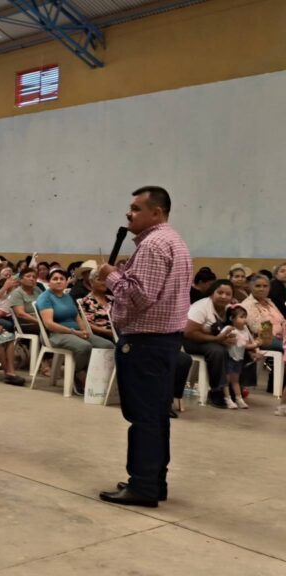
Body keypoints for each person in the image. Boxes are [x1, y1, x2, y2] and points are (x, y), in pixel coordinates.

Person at [97, 185, 192, 508]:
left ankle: (143, 486)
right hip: (165, 340)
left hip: (146, 343)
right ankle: (153, 481)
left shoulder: (152, 245)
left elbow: (140, 297)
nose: (129, 213)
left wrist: (111, 276)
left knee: (144, 417)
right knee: (156, 416)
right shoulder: (175, 241)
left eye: (137, 208)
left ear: (157, 212)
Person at [37, 269, 114, 395]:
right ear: (49, 282)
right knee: (84, 346)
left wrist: (84, 330)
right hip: (55, 334)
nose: (58, 281)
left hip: (76, 332)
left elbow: (77, 317)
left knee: (107, 345)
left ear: (66, 282)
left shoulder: (67, 297)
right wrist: (73, 332)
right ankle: (77, 372)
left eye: (61, 279)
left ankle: (96, 376)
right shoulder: (45, 298)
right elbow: (49, 324)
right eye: (55, 279)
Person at [183, 280, 236, 408]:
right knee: (217, 351)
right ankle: (217, 391)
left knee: (240, 350)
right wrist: (216, 339)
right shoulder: (201, 307)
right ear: (212, 293)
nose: (224, 296)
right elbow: (189, 332)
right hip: (191, 341)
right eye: (220, 293)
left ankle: (235, 387)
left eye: (228, 294)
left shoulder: (230, 309)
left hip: (215, 340)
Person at [223, 306, 260, 410]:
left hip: (239, 359)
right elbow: (242, 344)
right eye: (241, 317)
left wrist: (253, 351)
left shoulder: (245, 330)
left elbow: (247, 343)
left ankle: (238, 398)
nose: (244, 320)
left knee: (236, 380)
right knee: (226, 380)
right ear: (232, 318)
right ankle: (227, 399)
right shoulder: (229, 329)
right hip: (229, 358)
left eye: (245, 317)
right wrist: (256, 344)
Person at [239, 275, 285, 354]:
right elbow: (257, 328)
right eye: (258, 286)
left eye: (265, 286)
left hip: (282, 336)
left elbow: (282, 320)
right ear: (251, 287)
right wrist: (279, 335)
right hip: (265, 340)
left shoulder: (269, 302)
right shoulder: (247, 305)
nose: (262, 289)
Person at [79, 274, 116, 343]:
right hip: (103, 335)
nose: (104, 282)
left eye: (105, 279)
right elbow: (88, 324)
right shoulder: (86, 301)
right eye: (99, 279)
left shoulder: (112, 299)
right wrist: (108, 332)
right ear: (91, 282)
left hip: (120, 332)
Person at [7, 269, 43, 334]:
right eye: (28, 276)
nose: (32, 279)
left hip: (42, 318)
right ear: (21, 280)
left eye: (34, 277)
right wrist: (40, 321)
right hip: (28, 324)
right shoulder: (17, 293)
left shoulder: (37, 289)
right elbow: (21, 314)